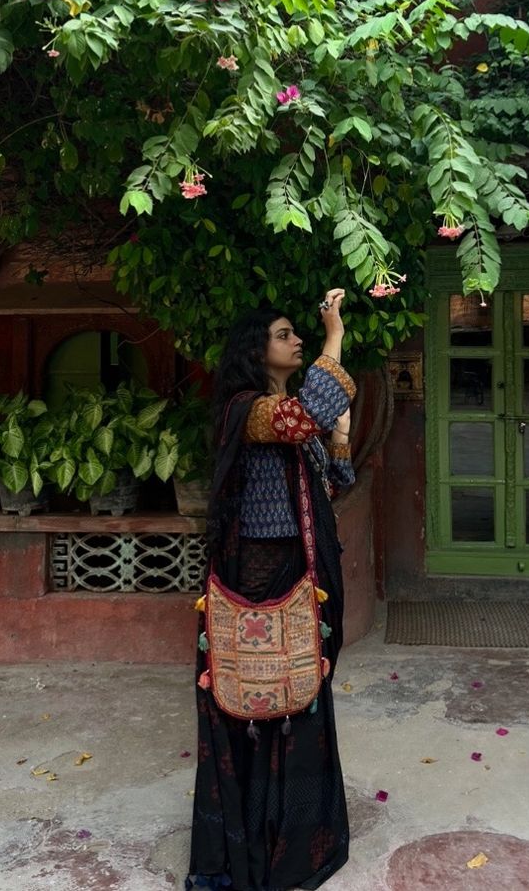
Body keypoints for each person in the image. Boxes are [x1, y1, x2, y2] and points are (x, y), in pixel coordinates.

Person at [186, 289, 356, 891]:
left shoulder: (287, 414)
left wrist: (339, 437)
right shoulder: (250, 408)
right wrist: (335, 336)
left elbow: (334, 482)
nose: (298, 340)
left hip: (299, 576)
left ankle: (298, 836)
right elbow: (300, 419)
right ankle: (250, 844)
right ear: (257, 351)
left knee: (301, 696)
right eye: (286, 335)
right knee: (257, 703)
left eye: (299, 333)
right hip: (255, 578)